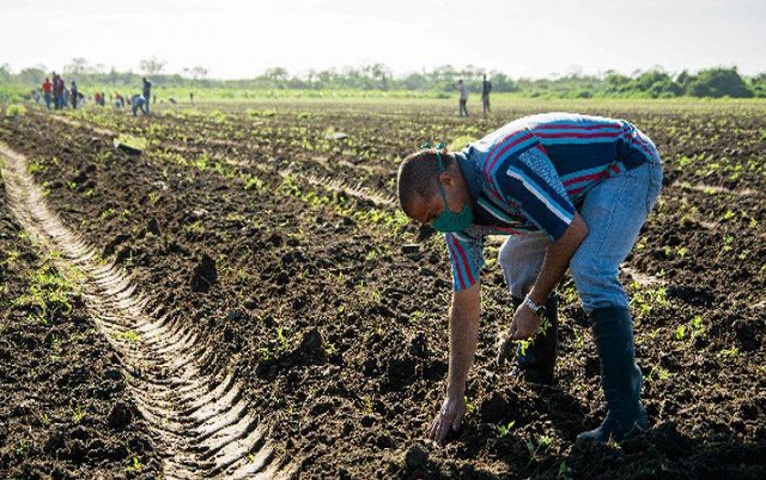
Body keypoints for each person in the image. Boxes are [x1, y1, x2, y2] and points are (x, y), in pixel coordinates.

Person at [396, 112, 663, 446]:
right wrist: (454, 394)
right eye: (428, 223)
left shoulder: (504, 167)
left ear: (447, 180)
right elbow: (464, 301)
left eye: (433, 214)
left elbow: (571, 231)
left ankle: (627, 416)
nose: (437, 225)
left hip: (622, 165)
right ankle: (536, 375)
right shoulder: (458, 222)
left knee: (591, 267)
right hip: (570, 190)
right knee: (514, 258)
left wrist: (533, 303)